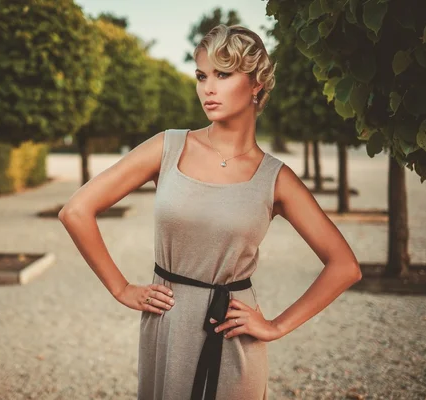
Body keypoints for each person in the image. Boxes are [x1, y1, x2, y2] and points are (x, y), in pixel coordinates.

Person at [58, 24, 362, 400]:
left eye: (223, 74)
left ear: (256, 85)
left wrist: (275, 326)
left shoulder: (276, 179)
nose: (208, 88)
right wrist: (121, 288)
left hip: (234, 336)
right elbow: (76, 210)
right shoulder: (167, 147)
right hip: (167, 326)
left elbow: (345, 266)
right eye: (202, 75)